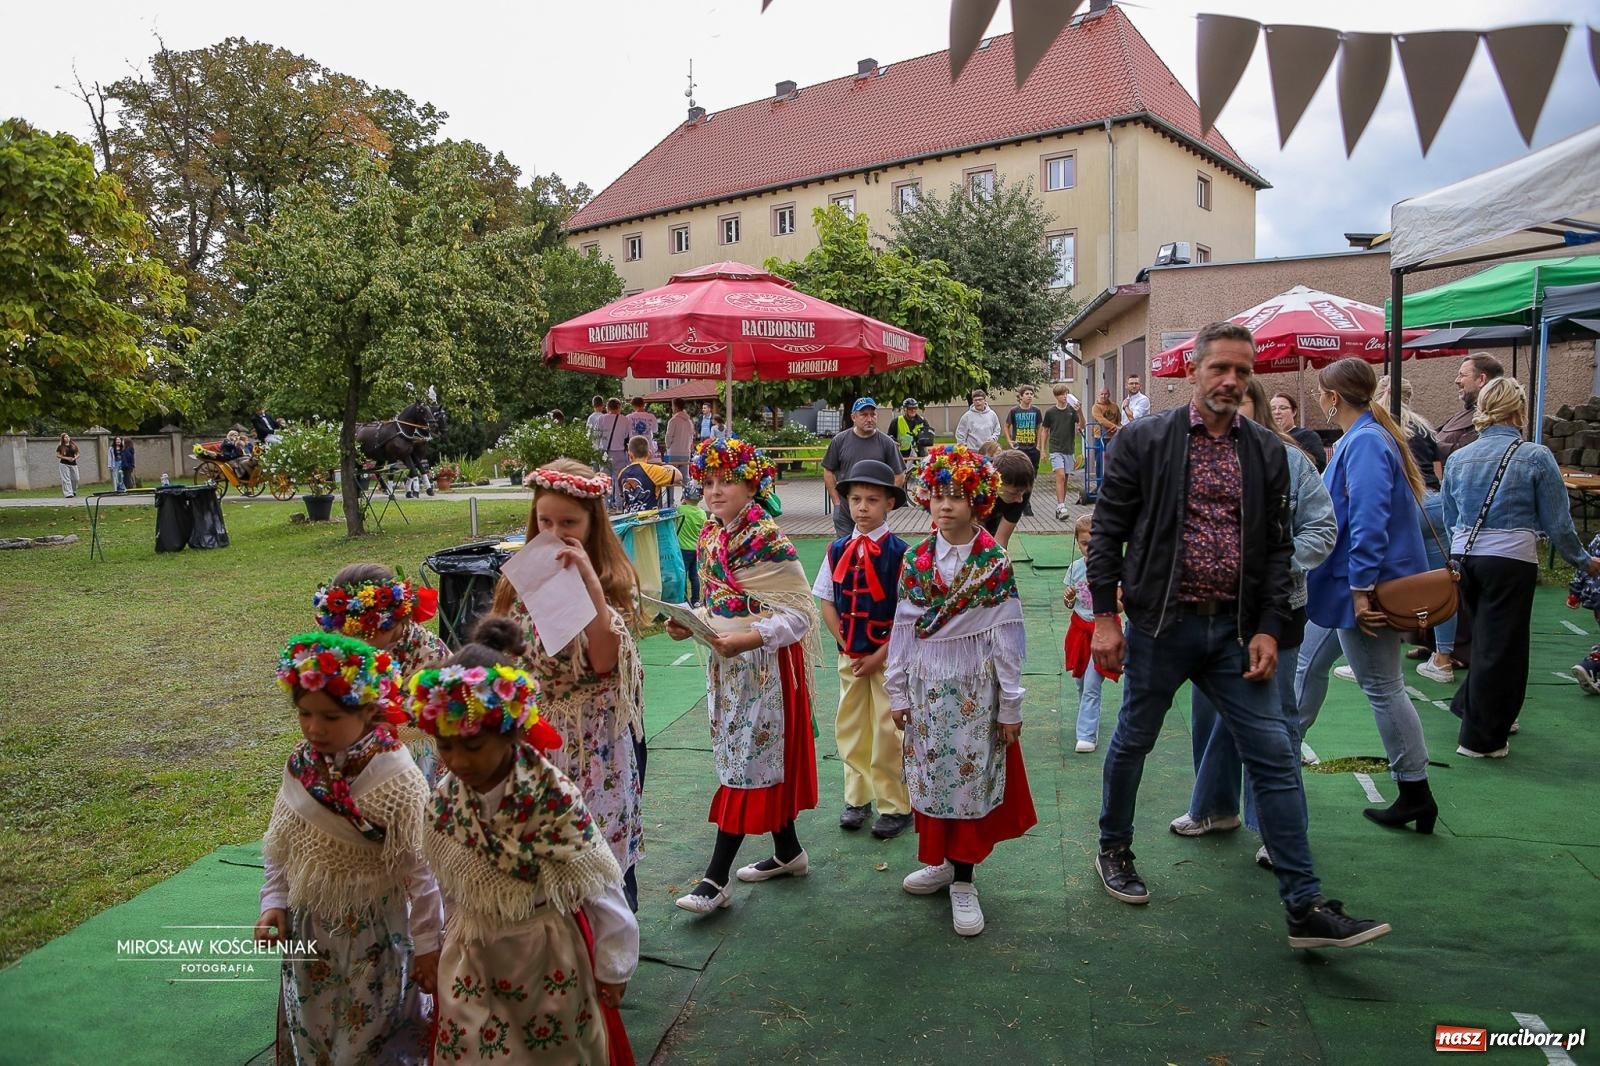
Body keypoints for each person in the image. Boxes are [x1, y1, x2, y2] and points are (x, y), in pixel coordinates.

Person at [1088, 321, 1392, 950]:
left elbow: (1279, 548)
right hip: (1159, 626)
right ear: (1194, 372)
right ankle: (1113, 849)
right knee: (1132, 742)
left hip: (1234, 631)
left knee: (1276, 756)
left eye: (1242, 371)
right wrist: (1105, 617)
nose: (1231, 380)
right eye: (1219, 368)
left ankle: (1304, 906)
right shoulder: (1146, 440)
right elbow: (1108, 532)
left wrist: (1269, 627)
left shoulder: (1264, 450)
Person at [408, 620, 637, 1065]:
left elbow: (600, 884)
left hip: (545, 950)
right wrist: (430, 943)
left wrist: (613, 963)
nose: (456, 761)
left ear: (511, 731)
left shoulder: (552, 799)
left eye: (472, 747)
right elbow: (443, 882)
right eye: (446, 747)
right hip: (472, 951)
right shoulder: (445, 803)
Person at [1173, 377, 1336, 869]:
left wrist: (1273, 564)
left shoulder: (1290, 461)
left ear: (1257, 408)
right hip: (1209, 610)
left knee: (1274, 720)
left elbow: (1322, 529)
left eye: (1237, 402)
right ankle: (1215, 808)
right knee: (1210, 712)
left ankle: (1277, 829)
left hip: (1277, 609)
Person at [256, 632, 441, 1064]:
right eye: (304, 714)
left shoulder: (396, 777)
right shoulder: (301, 766)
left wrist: (430, 945)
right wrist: (275, 901)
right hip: (310, 927)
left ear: (369, 711)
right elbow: (283, 842)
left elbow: (421, 870)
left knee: (368, 1044)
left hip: (375, 934)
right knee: (314, 1031)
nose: (314, 728)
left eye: (331, 716)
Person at [886, 444, 1036, 937]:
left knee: (969, 780)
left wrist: (1010, 704)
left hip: (976, 691)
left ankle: (965, 880)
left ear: (978, 502)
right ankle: (940, 862)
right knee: (930, 773)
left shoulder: (993, 562)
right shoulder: (916, 559)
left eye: (956, 496)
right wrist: (899, 690)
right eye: (937, 495)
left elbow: (1009, 638)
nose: (944, 505)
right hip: (928, 689)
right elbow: (904, 628)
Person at [667, 438, 820, 914]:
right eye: (708, 481)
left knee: (745, 762)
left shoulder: (764, 536)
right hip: (727, 662)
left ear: (752, 484)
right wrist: (689, 621)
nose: (715, 491)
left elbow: (800, 615)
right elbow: (719, 605)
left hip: (764, 665)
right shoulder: (713, 533)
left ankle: (715, 879)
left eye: (727, 480)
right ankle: (789, 851)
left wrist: (748, 640)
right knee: (747, 756)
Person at [491, 459, 647, 911]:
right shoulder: (522, 576)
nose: (555, 531)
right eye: (545, 521)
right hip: (536, 736)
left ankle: (610, 957)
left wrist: (591, 590)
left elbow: (603, 661)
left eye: (569, 522)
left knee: (599, 860)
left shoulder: (614, 581)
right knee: (541, 856)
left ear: (593, 522)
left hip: (592, 739)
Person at [1296, 357, 1438, 833]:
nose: (1319, 398)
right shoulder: (1369, 438)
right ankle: (1280, 750)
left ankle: (1415, 789)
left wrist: (1361, 591)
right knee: (1308, 664)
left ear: (1332, 397)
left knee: (1382, 686)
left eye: (1321, 392)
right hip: (1344, 588)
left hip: (1361, 589)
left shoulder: (1365, 442)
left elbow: (1368, 521)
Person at [1441, 376, 1600, 758]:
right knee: (1504, 648)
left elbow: (1450, 515)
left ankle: (1473, 706)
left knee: (1486, 640)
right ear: (1518, 409)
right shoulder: (1535, 455)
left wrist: (1457, 551)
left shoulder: (1459, 457)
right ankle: (1480, 739)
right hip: (1510, 557)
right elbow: (1559, 523)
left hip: (1465, 556)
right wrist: (1583, 561)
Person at [812, 459, 913, 839]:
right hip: (850, 657)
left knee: (889, 730)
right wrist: (846, 644)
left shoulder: (902, 553)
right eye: (855, 499)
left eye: (872, 499)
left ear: (889, 502)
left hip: (888, 660)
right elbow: (826, 599)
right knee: (851, 726)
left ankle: (895, 804)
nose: (862, 508)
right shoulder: (837, 549)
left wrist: (877, 655)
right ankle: (857, 799)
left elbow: (907, 616)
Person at [312, 563, 448, 782]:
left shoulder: (429, 657)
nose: (356, 642)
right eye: (347, 633)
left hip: (415, 757)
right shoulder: (350, 648)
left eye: (365, 632)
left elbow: (422, 722)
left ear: (392, 621)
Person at [1375, 376, 1458, 684]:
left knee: (1385, 580)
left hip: (1404, 504)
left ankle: (1379, 660)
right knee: (1440, 582)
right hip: (1433, 503)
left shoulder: (1378, 425)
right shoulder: (1424, 426)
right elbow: (1437, 468)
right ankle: (1444, 657)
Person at [1063, 513, 1120, 753]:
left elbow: (1119, 606)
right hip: (1079, 630)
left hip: (1103, 631)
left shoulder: (1112, 568)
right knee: (1080, 681)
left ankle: (1086, 734)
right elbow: (1069, 602)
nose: (1090, 548)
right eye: (1085, 543)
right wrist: (1069, 598)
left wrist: (1107, 596)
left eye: (1096, 543)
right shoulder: (1075, 568)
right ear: (1077, 543)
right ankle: (1089, 715)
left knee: (1092, 684)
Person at [820, 397, 905, 539]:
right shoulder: (840, 440)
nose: (869, 419)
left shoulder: (887, 443)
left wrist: (884, 502)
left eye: (873, 414)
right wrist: (836, 502)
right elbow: (828, 471)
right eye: (864, 415)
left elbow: (900, 474)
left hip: (874, 510)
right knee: (846, 551)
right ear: (853, 417)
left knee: (874, 550)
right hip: (846, 510)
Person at [1437, 354, 1504, 460]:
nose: (1457, 380)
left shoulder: (1491, 418)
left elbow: (1464, 454)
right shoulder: (1463, 413)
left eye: (1462, 375)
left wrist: (1427, 444)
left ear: (1481, 379)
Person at [1041, 384, 1081, 520]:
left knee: (1065, 479)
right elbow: (1045, 431)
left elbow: (1081, 424)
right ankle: (1061, 505)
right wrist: (1043, 450)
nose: (1065, 396)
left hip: (1069, 448)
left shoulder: (1072, 410)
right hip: (1055, 448)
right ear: (1056, 396)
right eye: (1062, 394)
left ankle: (1060, 507)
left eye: (1066, 393)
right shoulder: (1050, 412)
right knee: (1061, 476)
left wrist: (1079, 411)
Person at [981, 449, 1035, 550]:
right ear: (996, 481)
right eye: (1013, 493)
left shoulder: (1023, 490)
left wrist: (998, 563)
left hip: (994, 516)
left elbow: (1001, 540)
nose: (1020, 500)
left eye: (1022, 492)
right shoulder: (976, 482)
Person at [615, 434, 683, 511]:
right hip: (649, 519)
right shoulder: (653, 470)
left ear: (629, 454)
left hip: (629, 520)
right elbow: (678, 475)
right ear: (648, 453)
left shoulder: (622, 473)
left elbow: (622, 495)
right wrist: (667, 466)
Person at [1269, 392, 1327, 472]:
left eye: (1282, 408)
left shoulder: (1307, 436)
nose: (1277, 412)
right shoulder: (1266, 437)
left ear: (1294, 412)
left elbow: (1319, 466)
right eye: (1272, 409)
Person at [676, 485, 707, 606]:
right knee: (694, 576)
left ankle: (683, 599)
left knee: (682, 575)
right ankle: (695, 600)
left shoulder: (680, 510)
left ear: (684, 496)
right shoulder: (702, 513)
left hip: (683, 549)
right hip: (696, 549)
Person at [665, 398, 696, 481]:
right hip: (686, 453)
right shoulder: (689, 421)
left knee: (671, 477)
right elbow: (691, 436)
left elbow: (668, 437)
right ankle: (686, 494)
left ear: (675, 407)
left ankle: (671, 494)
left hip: (673, 453)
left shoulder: (673, 421)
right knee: (685, 478)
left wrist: (668, 446)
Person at [600, 398, 629, 477]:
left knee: (604, 477)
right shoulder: (625, 420)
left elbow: (597, 435)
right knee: (619, 477)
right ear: (619, 408)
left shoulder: (601, 418)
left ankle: (606, 489)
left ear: (607, 407)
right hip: (619, 452)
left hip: (605, 451)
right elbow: (626, 435)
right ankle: (617, 490)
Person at [55, 433, 79, 498]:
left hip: (73, 464)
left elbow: (78, 453)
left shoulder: (73, 445)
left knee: (76, 478)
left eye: (68, 437)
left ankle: (73, 491)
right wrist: (66, 458)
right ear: (63, 439)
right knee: (66, 479)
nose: (67, 438)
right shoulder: (60, 446)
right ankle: (68, 493)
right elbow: (58, 455)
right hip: (64, 464)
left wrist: (74, 458)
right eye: (65, 437)